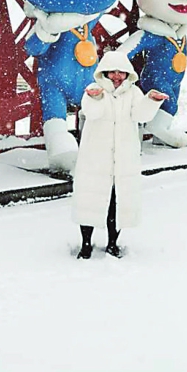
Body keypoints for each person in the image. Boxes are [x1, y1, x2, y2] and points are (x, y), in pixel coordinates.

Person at [72, 51, 169, 258]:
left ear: (128, 74)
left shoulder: (133, 93)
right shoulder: (93, 89)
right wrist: (96, 99)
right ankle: (86, 244)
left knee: (117, 203)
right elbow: (91, 113)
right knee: (90, 200)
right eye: (113, 72)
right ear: (105, 72)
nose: (117, 76)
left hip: (124, 159)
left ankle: (112, 243)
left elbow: (140, 115)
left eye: (121, 72)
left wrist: (151, 100)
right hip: (95, 158)